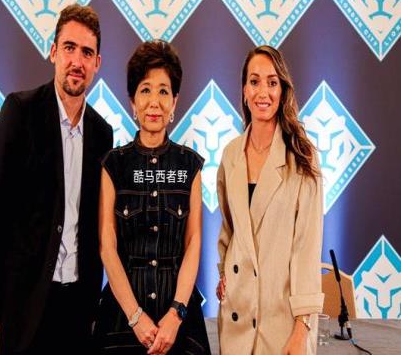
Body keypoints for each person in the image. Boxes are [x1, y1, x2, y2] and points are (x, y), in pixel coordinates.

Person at [0, 4, 113, 354]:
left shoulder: (102, 133)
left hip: (78, 309)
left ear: (97, 63)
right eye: (69, 48)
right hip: (23, 308)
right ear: (53, 52)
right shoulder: (19, 112)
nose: (77, 61)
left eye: (87, 52)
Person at [93, 40, 211, 354]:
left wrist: (176, 313)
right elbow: (107, 245)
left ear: (175, 102)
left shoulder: (190, 165)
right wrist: (136, 317)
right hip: (121, 318)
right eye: (145, 90)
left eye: (163, 91)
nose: (154, 102)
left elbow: (193, 242)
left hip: (179, 319)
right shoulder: (113, 165)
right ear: (132, 102)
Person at [216, 45, 324, 354]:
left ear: (282, 90)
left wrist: (302, 327)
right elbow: (229, 229)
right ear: (244, 90)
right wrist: (224, 274)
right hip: (236, 318)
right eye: (254, 81)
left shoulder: (302, 157)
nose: (263, 92)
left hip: (283, 325)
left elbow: (306, 249)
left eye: (272, 82)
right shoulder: (231, 154)